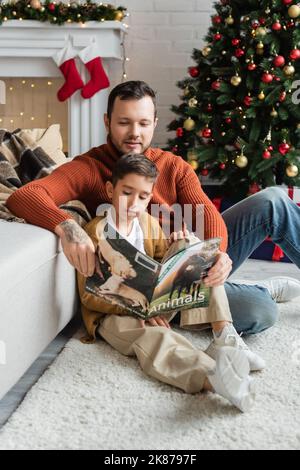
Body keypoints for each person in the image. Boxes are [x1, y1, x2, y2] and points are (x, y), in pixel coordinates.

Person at [6, 80, 300, 336]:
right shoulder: (88, 167)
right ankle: (262, 290)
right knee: (259, 310)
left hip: (188, 258)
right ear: (107, 122)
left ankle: (228, 283)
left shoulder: (173, 166)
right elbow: (25, 196)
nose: (134, 132)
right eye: (124, 123)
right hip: (150, 284)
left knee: (273, 200)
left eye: (143, 123)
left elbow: (207, 214)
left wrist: (219, 253)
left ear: (155, 123)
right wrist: (68, 227)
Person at [77, 153, 256, 412]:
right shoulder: (96, 233)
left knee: (191, 245)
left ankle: (223, 336)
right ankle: (213, 376)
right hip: (114, 313)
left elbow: (162, 263)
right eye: (127, 192)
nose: (133, 203)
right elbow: (88, 295)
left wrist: (179, 248)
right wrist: (136, 307)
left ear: (150, 197)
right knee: (154, 337)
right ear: (110, 189)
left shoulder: (148, 224)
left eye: (143, 196)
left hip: (156, 302)